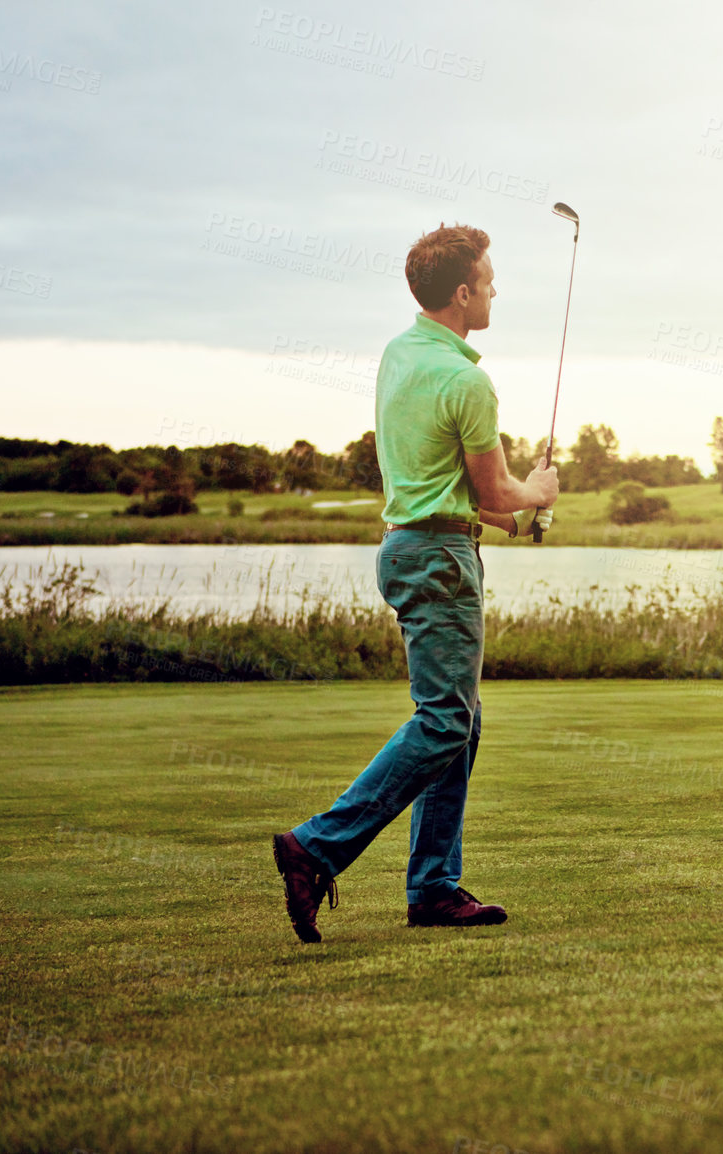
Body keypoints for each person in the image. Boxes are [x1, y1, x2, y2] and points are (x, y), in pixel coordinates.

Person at [272, 223, 558, 943]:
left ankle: (433, 887)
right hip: (438, 558)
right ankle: (318, 845)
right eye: (489, 281)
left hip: (409, 547)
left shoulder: (400, 356)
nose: (496, 290)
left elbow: (458, 487)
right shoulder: (467, 379)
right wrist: (540, 490)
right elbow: (495, 485)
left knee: (461, 720)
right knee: (443, 721)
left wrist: (517, 521)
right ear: (462, 293)